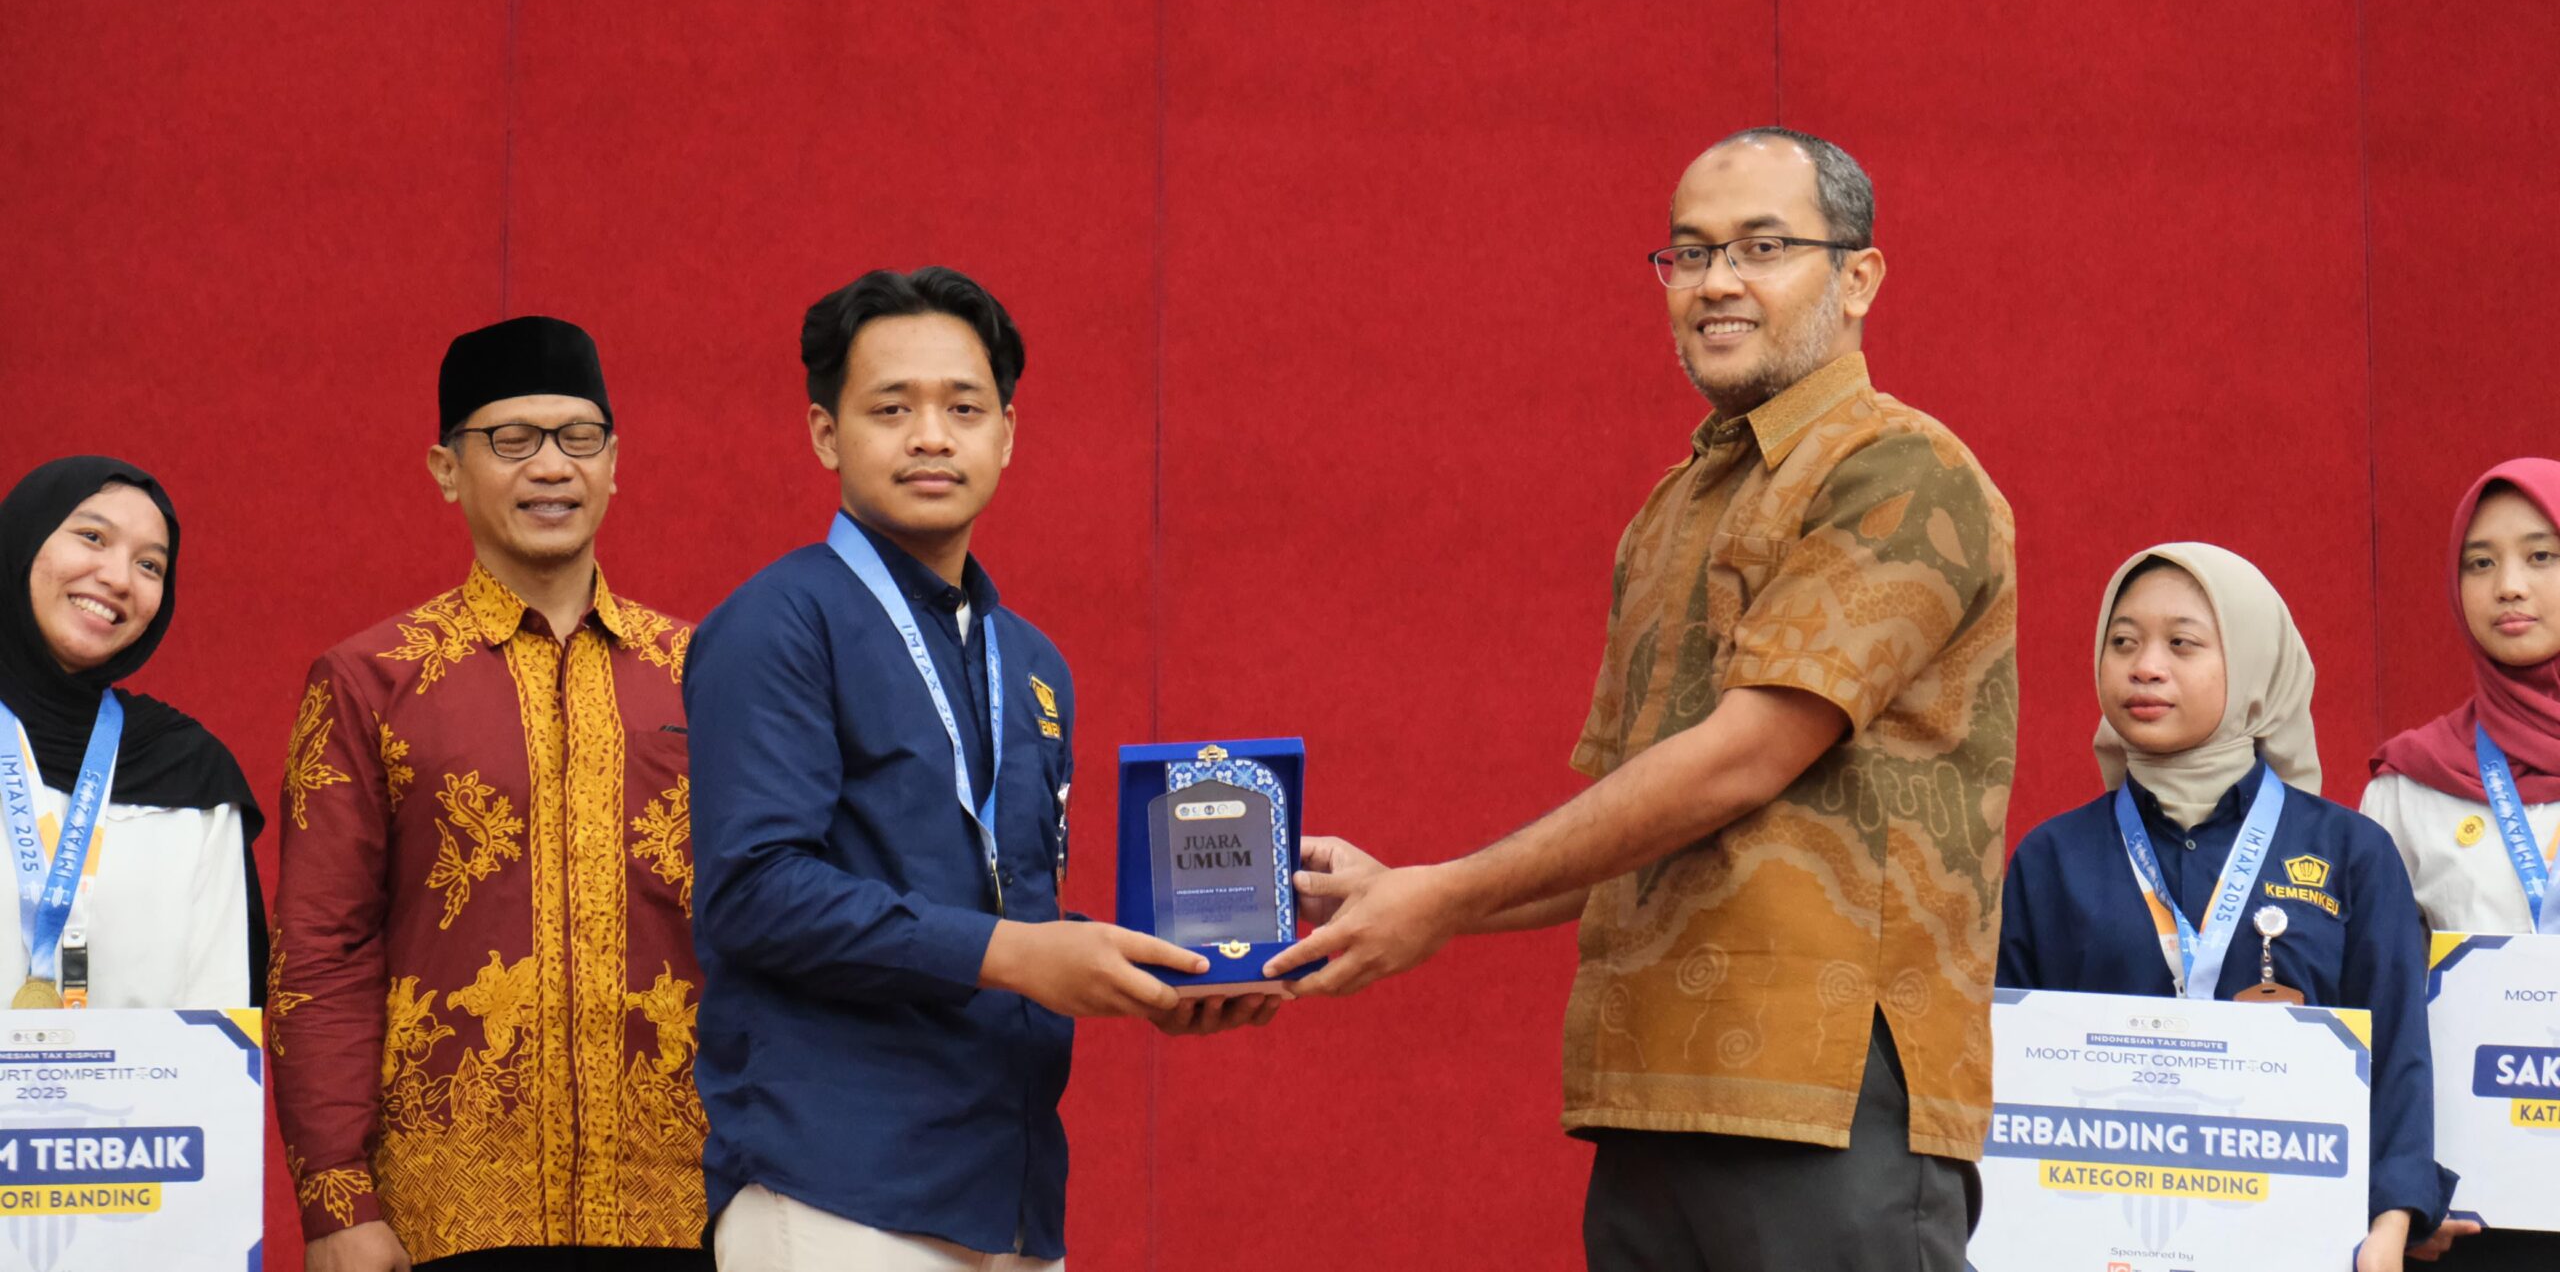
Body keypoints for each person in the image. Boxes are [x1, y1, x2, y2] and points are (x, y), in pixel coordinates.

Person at [1273, 129, 2017, 1271]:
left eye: (1762, 247)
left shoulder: (1902, 471)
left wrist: (1446, 894)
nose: (1717, 281)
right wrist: (1416, 894)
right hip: (1649, 1089)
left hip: (1828, 1090)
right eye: (1690, 253)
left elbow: (1743, 758)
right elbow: (1635, 828)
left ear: (1858, 277)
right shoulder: (1675, 509)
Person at [687, 267, 1273, 1272]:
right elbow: (752, 893)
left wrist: (1158, 971)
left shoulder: (1031, 662)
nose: (931, 435)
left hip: (1013, 1196)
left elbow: (1010, 908)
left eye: (963, 407)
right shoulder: (776, 622)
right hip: (837, 1189)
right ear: (826, 433)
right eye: (891, 408)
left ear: (1006, 433)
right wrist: (1015, 954)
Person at [269, 318, 710, 1272]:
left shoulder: (705, 673)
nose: (551, 466)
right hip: (447, 1220)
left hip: (686, 1207)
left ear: (614, 463)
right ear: (446, 469)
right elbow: (319, 952)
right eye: (511, 440)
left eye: (578, 437)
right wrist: (337, 1200)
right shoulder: (370, 680)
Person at [1998, 544, 2455, 1270]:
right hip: (2095, 1245)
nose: (2145, 667)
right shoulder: (2050, 859)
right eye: (2123, 642)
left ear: (2252, 666)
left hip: (2301, 1246)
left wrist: (2391, 1221)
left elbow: (2398, 1051)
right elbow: (2007, 1073)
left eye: (2181, 644)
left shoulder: (2352, 854)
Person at [2363, 458, 2560, 1267]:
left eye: (2541, 556)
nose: (2508, 586)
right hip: (2472, 1218)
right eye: (2480, 563)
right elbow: (2373, 1004)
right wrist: (2398, 1189)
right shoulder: (2411, 785)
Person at [0, 456, 263, 1010]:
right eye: (92, 537)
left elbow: (222, 1015)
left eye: (149, 565)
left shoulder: (190, 771)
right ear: (22, 539)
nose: (119, 579)